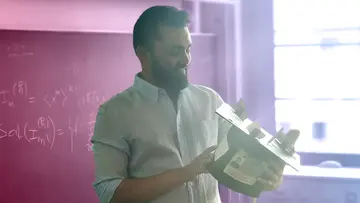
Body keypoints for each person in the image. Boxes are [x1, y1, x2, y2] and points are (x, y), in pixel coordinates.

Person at [91, 5, 287, 203]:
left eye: (188, 49)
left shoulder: (210, 100)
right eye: (175, 51)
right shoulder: (114, 113)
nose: (185, 60)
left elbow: (235, 163)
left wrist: (266, 173)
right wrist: (185, 173)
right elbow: (110, 192)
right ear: (144, 54)